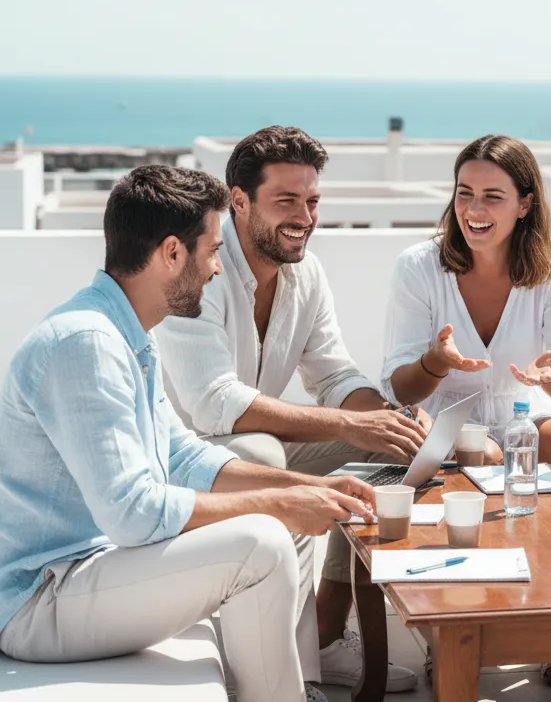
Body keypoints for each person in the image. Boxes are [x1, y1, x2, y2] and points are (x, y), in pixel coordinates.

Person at [0, 166, 379, 702]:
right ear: (171, 253)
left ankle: (292, 687)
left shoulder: (126, 331)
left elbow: (183, 457)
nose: (216, 267)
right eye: (211, 249)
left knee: (284, 520)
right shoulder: (85, 344)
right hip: (37, 600)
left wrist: (300, 488)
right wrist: (277, 503)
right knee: (261, 540)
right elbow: (134, 513)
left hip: (90, 566)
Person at [157, 127, 422, 693]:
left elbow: (333, 374)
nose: (305, 216)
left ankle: (325, 631)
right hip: (181, 459)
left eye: (312, 201)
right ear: (239, 200)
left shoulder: (308, 273)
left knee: (392, 450)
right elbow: (212, 404)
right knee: (261, 447)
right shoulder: (198, 267)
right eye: (286, 200)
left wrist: (385, 418)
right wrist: (353, 422)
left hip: (256, 447)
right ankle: (278, 665)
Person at [382, 133, 551, 687]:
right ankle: (452, 625)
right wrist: (434, 362)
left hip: (527, 404)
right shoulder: (419, 266)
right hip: (447, 416)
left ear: (525, 204)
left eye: (493, 196)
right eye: (464, 193)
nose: (474, 210)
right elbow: (402, 389)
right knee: (487, 451)